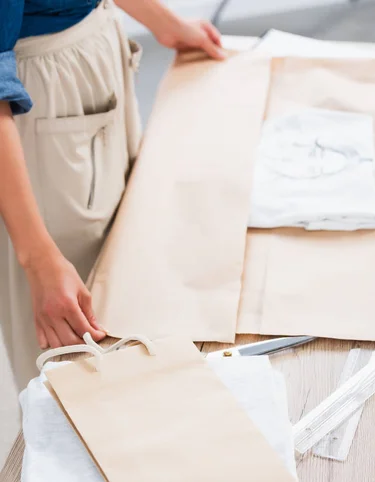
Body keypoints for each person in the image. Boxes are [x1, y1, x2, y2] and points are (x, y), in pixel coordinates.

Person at [0, 0, 225, 390]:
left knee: (126, 292)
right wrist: (38, 260)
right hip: (40, 97)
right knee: (72, 355)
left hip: (93, 55)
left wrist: (162, 21)